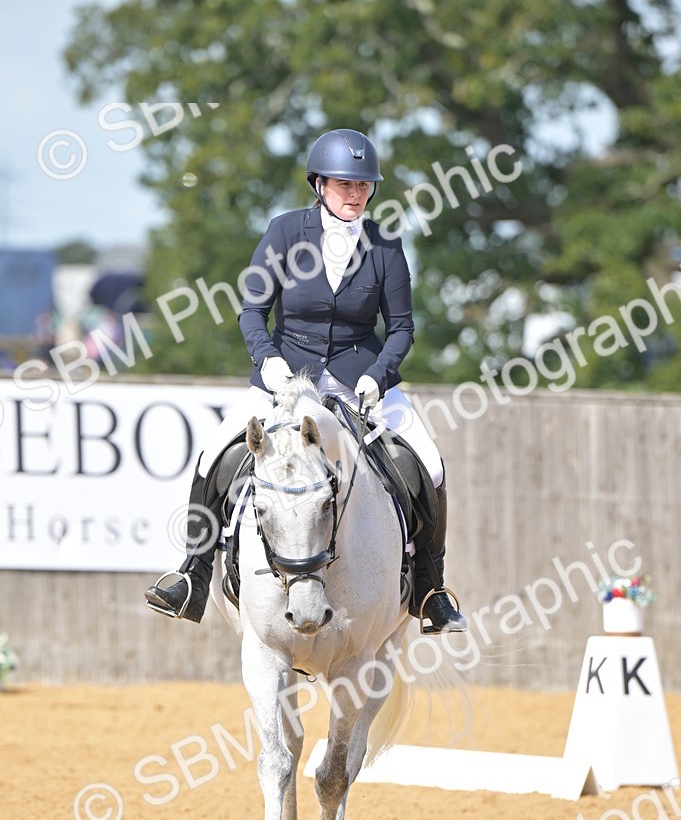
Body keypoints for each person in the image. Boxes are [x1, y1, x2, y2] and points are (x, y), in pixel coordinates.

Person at [145, 128, 467, 633]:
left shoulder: (384, 245)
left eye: (363, 185)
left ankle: (430, 589)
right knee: (214, 454)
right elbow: (252, 310)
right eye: (344, 184)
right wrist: (268, 360)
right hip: (284, 373)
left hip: (360, 376)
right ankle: (194, 575)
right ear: (319, 184)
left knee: (430, 462)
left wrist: (378, 377)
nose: (355, 194)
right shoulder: (284, 232)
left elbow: (402, 328)